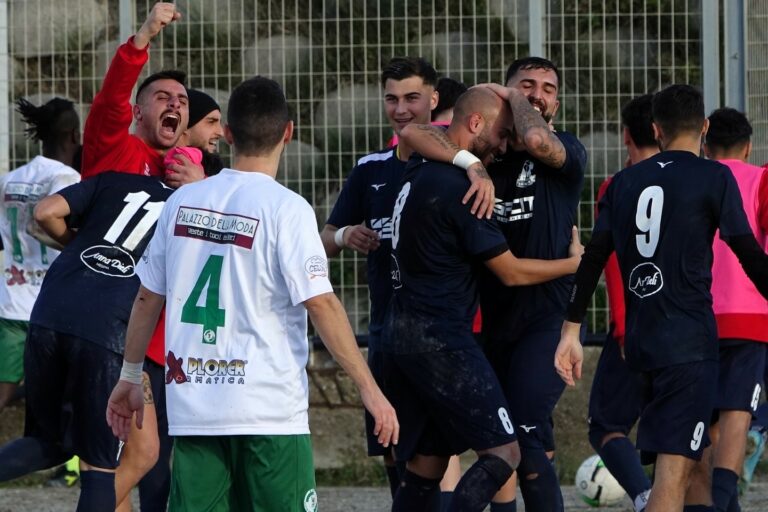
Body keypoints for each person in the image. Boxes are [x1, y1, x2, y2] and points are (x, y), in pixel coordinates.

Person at [106, 76, 398, 511]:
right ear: (288, 133)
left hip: (195, 410)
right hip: (269, 413)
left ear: (226, 135)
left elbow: (149, 297)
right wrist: (371, 391)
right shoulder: (287, 208)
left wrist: (130, 376)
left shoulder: (182, 203)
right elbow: (320, 303)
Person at [555, 84, 768, 512]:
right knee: (673, 477)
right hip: (689, 344)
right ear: (704, 129)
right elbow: (747, 252)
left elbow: (594, 258)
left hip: (639, 343)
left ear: (656, 129)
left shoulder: (623, 182)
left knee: (694, 466)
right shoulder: (714, 175)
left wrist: (571, 330)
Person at [400, 56, 587, 511]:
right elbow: (411, 134)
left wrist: (515, 100)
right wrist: (471, 161)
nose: (537, 95)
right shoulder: (486, 151)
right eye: (526, 86)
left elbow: (538, 137)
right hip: (485, 321)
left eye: (546, 88)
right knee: (442, 444)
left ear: (556, 104)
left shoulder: (566, 153)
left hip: (543, 318)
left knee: (520, 431)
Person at [319, 57, 492, 507]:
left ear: (434, 100)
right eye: (392, 99)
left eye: (412, 98)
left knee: (441, 448)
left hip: (441, 332)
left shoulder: (459, 169)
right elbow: (322, 242)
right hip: (387, 331)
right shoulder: (371, 169)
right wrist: (343, 234)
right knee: (396, 447)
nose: (401, 109)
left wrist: (474, 165)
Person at [0, 160, 176, 511]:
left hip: (49, 311)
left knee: (49, 442)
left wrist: (78, 248)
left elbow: (46, 211)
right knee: (100, 467)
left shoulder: (112, 181)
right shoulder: (188, 206)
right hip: (106, 329)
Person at [81, 3, 190, 510]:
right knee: (140, 453)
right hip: (101, 325)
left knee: (128, 455)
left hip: (135, 331)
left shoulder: (180, 176)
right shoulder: (115, 149)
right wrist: (145, 33)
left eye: (182, 100)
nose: (175, 104)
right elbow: (110, 98)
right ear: (138, 112)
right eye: (163, 97)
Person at [587, 94, 658, 512]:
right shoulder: (700, 179)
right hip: (692, 327)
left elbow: (610, 260)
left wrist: (622, 322)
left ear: (625, 135)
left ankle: (647, 498)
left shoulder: (615, 186)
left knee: (607, 426)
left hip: (633, 325)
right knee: (680, 432)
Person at [695, 107, 768, 512]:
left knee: (703, 424)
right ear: (749, 145)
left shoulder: (695, 180)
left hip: (695, 316)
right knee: (738, 414)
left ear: (705, 144)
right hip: (750, 316)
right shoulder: (761, 180)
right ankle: (724, 502)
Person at [0, 98, 81, 412]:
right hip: (52, 307)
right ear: (73, 135)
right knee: (63, 393)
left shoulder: (9, 180)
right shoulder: (67, 180)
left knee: (5, 394)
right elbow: (58, 233)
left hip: (11, 304)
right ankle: (73, 460)